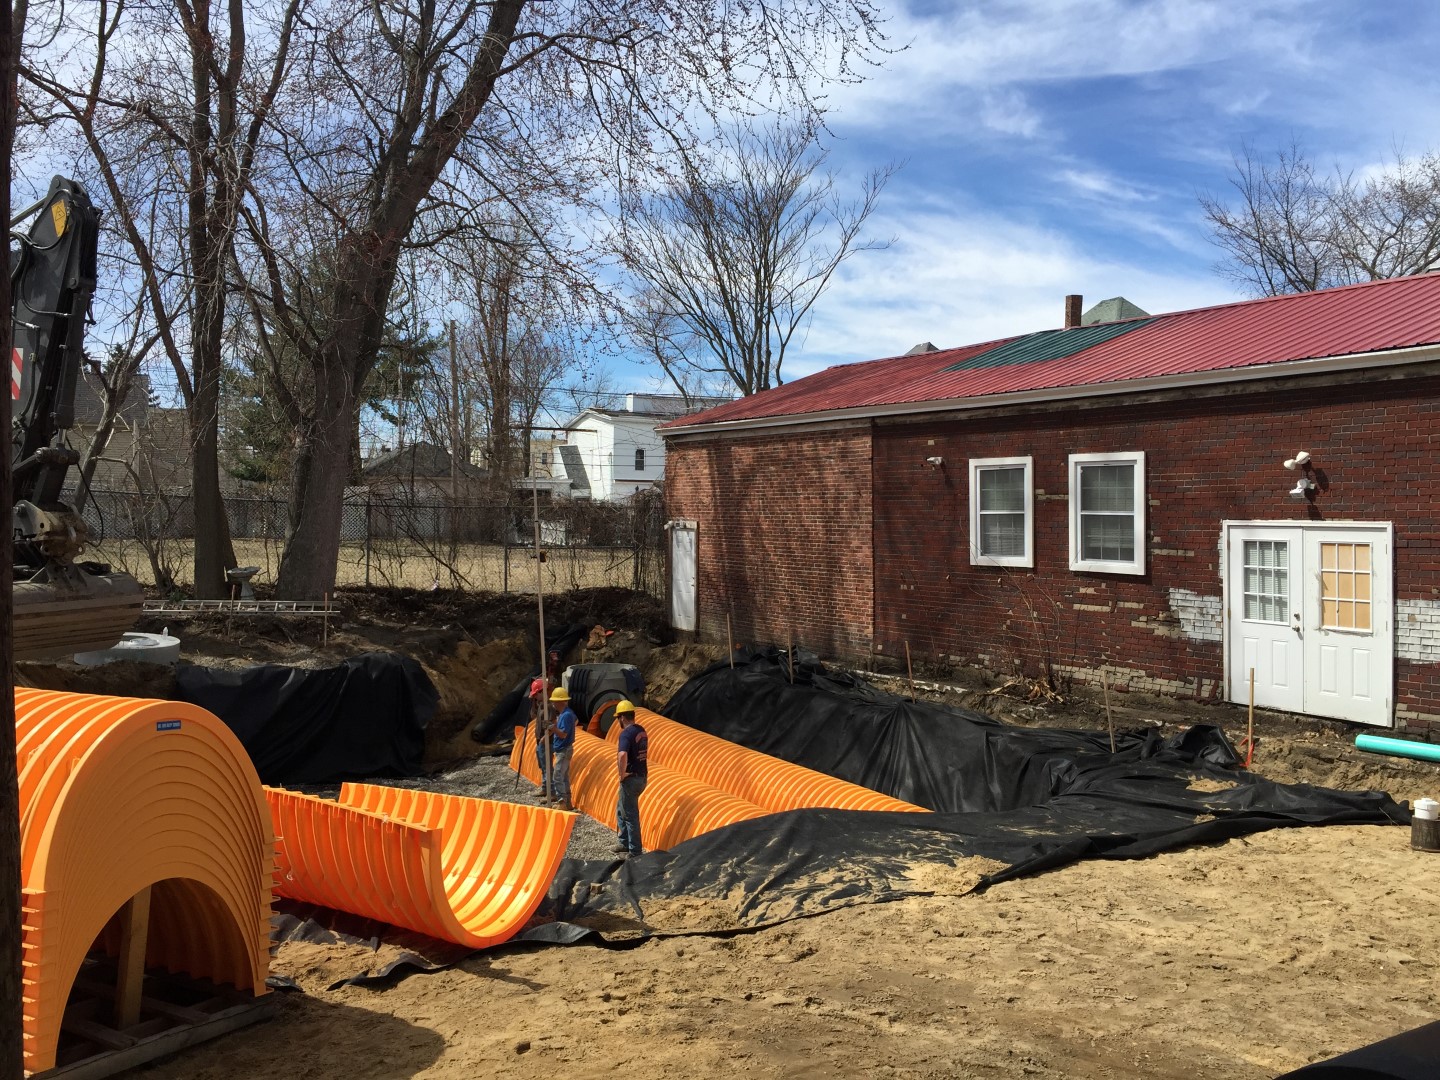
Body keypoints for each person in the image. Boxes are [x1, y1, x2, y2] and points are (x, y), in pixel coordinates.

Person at [613, 700, 647, 857]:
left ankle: (634, 851)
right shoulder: (641, 730)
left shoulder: (626, 734)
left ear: (622, 718)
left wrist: (622, 773)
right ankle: (624, 842)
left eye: (617, 718)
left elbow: (622, 754)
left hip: (631, 779)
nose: (618, 721)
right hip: (642, 776)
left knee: (630, 815)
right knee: (621, 809)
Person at [548, 685, 578, 812]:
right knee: (564, 776)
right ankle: (568, 802)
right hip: (565, 749)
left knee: (557, 776)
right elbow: (576, 721)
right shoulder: (567, 714)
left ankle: (562, 802)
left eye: (554, 700)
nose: (553, 703)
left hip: (563, 749)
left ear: (559, 701)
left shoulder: (565, 715)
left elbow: (564, 734)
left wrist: (552, 728)